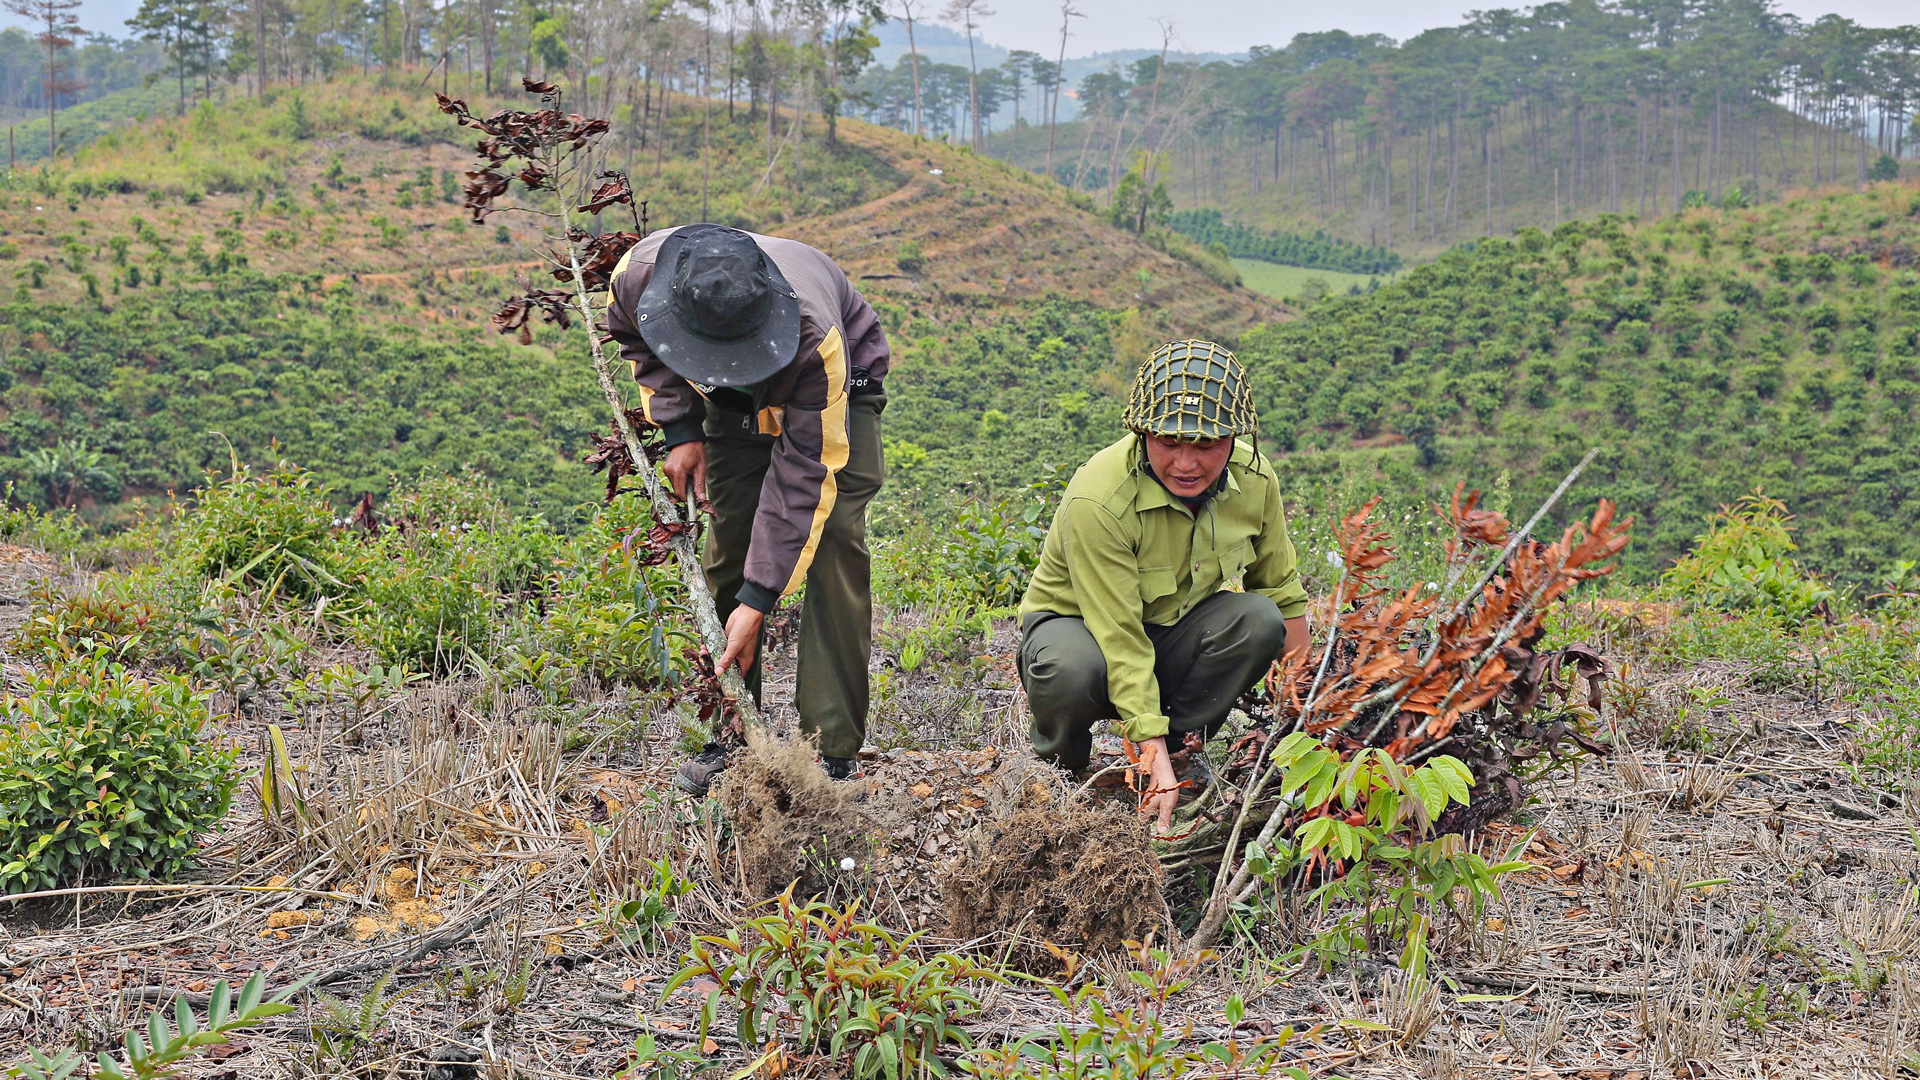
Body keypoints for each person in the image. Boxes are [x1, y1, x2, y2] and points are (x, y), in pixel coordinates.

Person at [603, 224, 889, 795]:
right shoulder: (636, 278)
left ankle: (827, 755)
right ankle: (733, 736)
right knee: (732, 536)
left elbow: (808, 473)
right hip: (729, 408)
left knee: (830, 542)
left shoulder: (815, 338)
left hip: (832, 394)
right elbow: (637, 343)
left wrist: (761, 600)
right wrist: (682, 428)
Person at [1017, 340, 1312, 831]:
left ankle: (1180, 757)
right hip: (1082, 632)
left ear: (1234, 437)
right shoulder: (1101, 497)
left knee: (1260, 622)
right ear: (1142, 433)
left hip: (1172, 636)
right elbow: (1118, 636)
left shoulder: (1256, 479)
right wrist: (1145, 745)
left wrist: (1308, 709)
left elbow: (1280, 590)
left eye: (1206, 445)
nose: (1186, 464)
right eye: (1169, 442)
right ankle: (1059, 772)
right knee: (1070, 669)